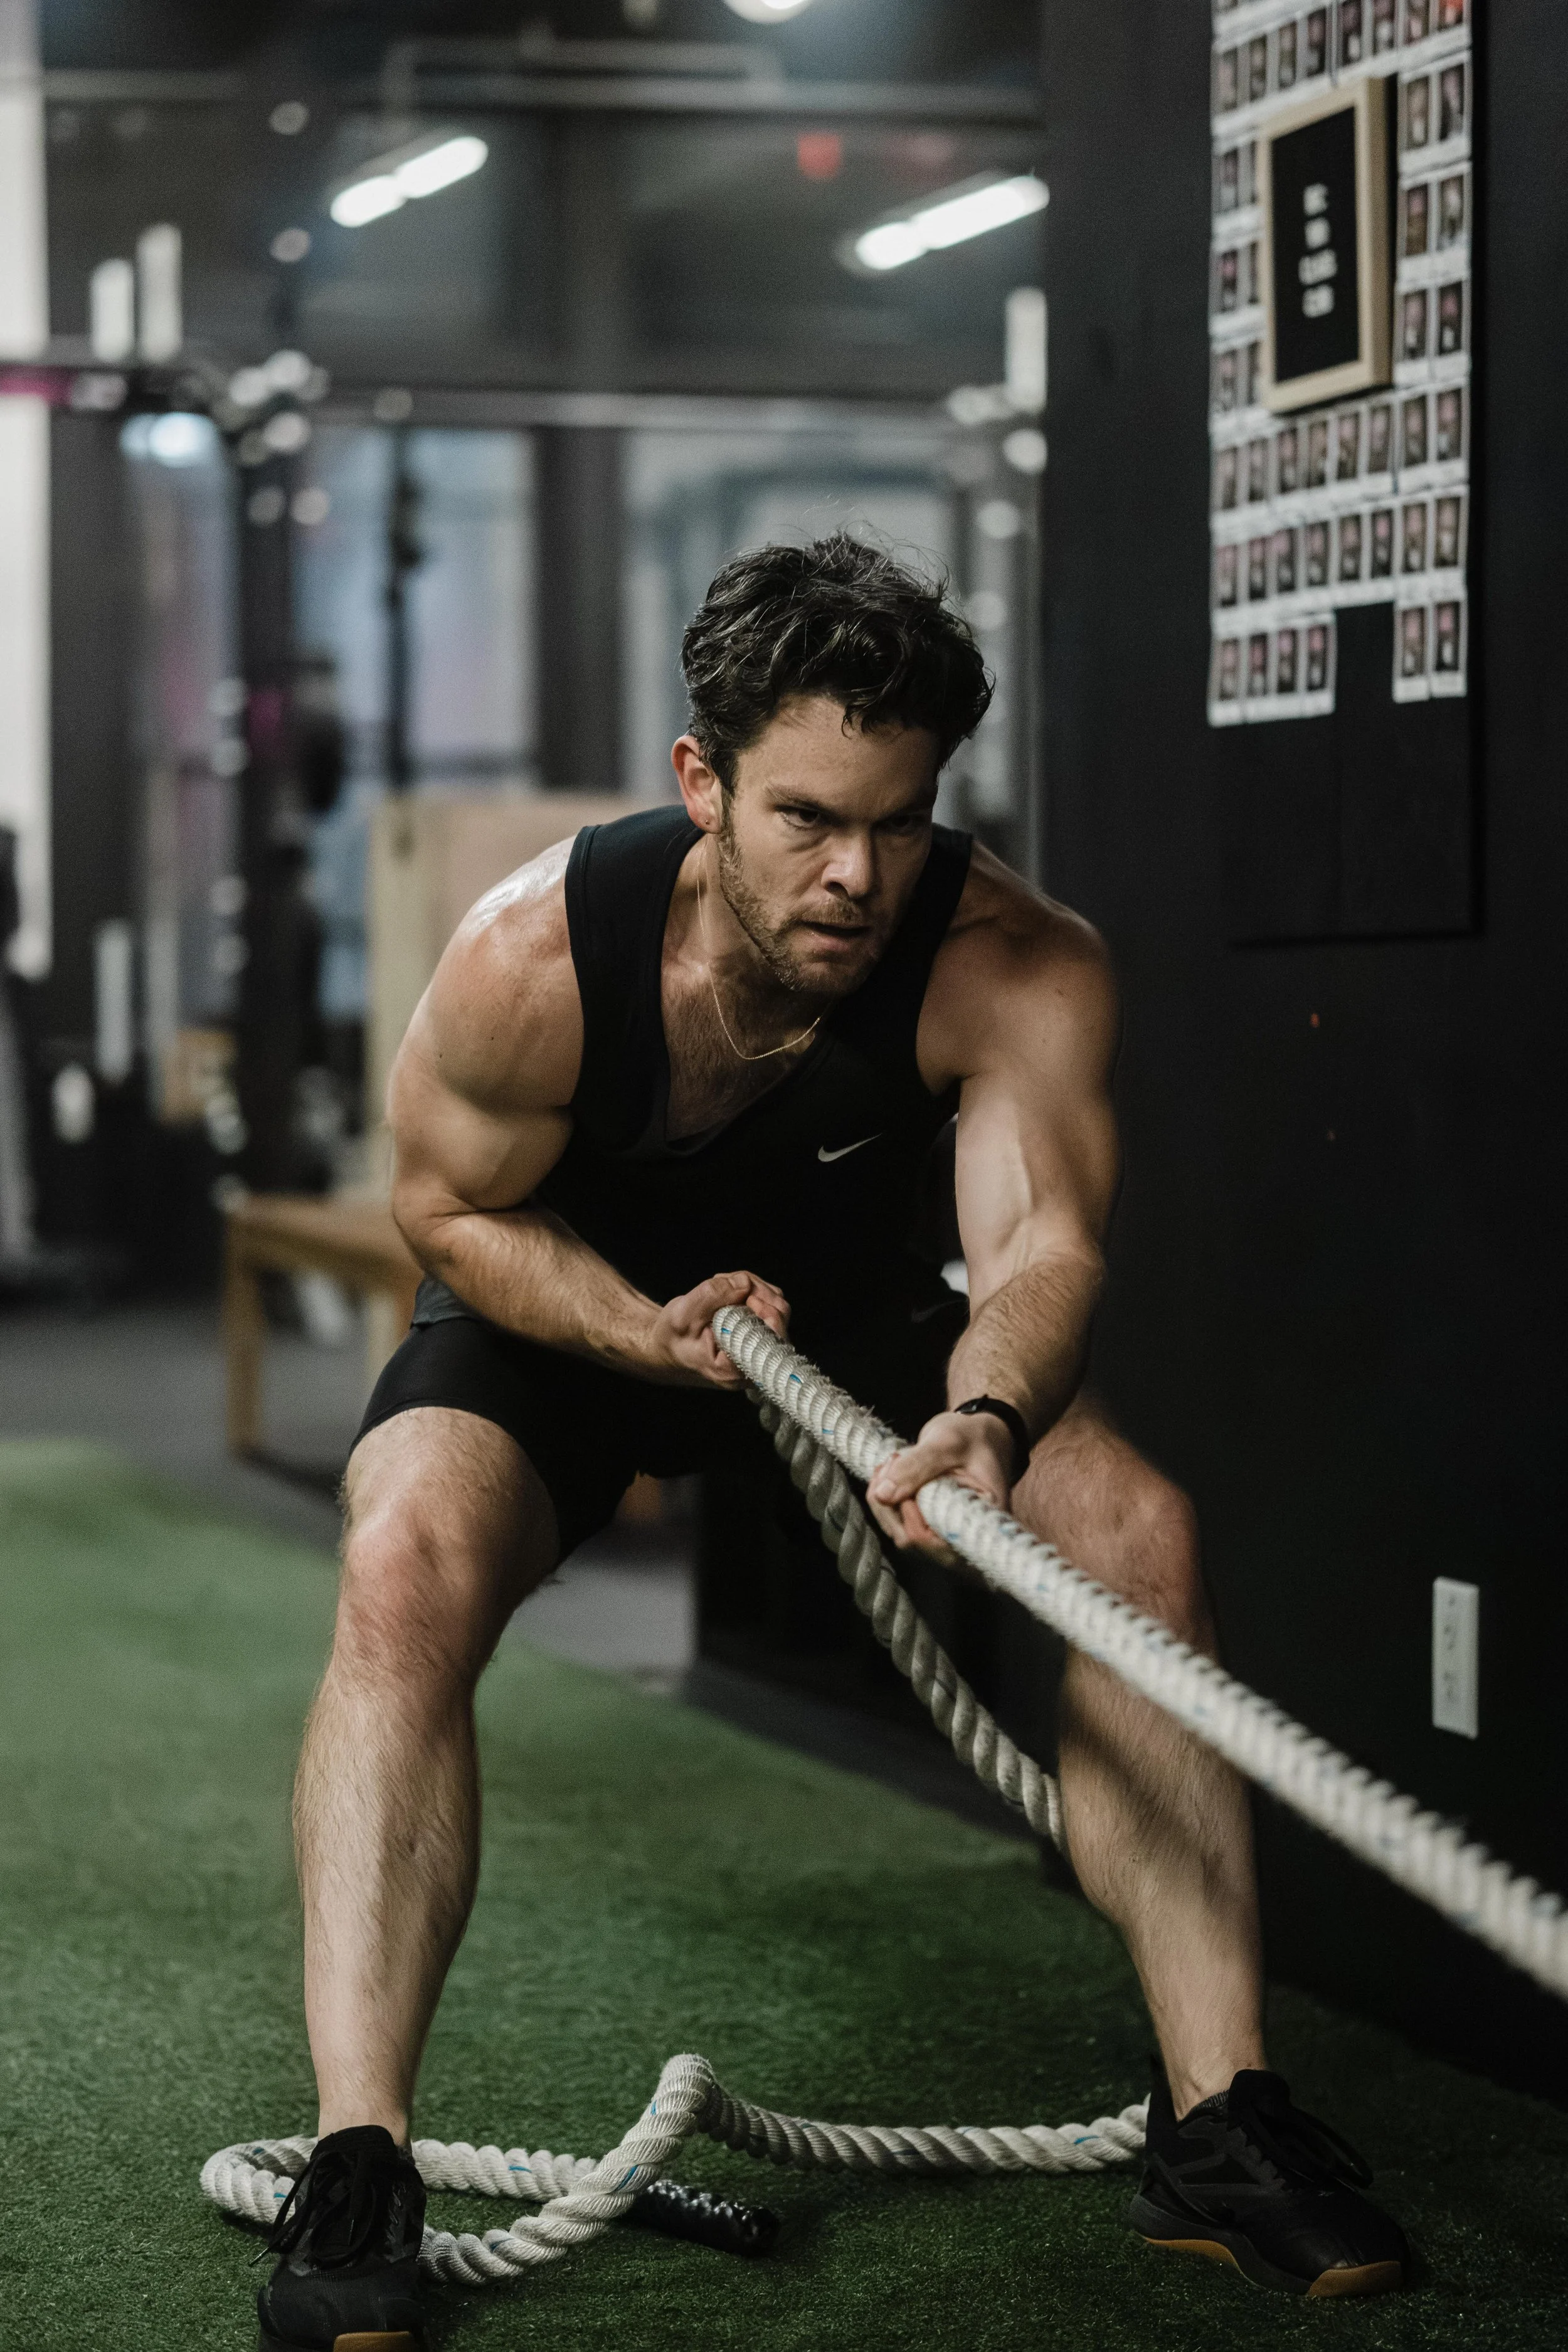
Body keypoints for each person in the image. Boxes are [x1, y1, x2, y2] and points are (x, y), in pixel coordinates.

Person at [255, 537, 1410, 2349]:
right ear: (697, 779)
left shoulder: (1013, 962)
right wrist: (628, 1331)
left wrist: (985, 1410)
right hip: (572, 1300)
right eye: (803, 816)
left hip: (870, 1322)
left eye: (895, 818)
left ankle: (1219, 2121)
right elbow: (447, 1210)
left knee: (1136, 1532)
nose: (854, 872)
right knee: (400, 1550)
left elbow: (1037, 1246)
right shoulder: (532, 960)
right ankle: (359, 2157)